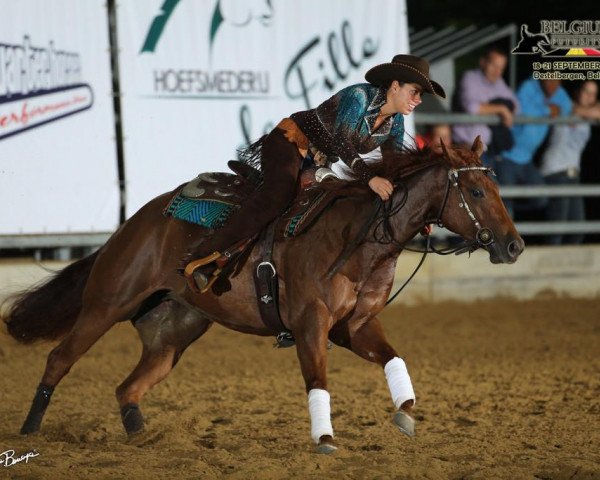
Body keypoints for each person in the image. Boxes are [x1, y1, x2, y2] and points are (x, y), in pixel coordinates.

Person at [184, 54, 446, 290]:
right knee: (278, 196)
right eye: (415, 92)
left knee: (329, 208)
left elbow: (395, 167)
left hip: (319, 162)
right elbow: (343, 142)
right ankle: (205, 255)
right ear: (395, 85)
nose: (418, 100)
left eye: (420, 95)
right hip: (289, 142)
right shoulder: (359, 97)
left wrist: (415, 209)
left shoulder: (395, 122)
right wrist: (371, 179)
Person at [496, 79, 572, 217]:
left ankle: (512, 210)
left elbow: (568, 108)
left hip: (527, 160)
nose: (553, 84)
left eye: (557, 81)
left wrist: (558, 110)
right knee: (504, 203)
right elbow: (522, 109)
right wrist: (548, 109)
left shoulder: (558, 92)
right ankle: (507, 214)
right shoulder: (529, 86)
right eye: (550, 79)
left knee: (541, 200)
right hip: (507, 157)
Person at [540, 80, 600, 245]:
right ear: (577, 92)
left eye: (593, 94)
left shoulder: (589, 115)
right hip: (556, 171)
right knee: (557, 230)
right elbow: (576, 109)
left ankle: (564, 268)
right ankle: (548, 268)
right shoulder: (566, 106)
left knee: (578, 229)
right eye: (586, 91)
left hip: (573, 174)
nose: (589, 96)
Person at [453, 46, 519, 166]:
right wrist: (501, 109)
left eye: (501, 68)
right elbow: (472, 108)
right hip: (466, 147)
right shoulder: (470, 77)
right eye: (494, 65)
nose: (497, 71)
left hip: (488, 149)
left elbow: (516, 106)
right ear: (483, 62)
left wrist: (503, 109)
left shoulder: (498, 82)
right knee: (491, 184)